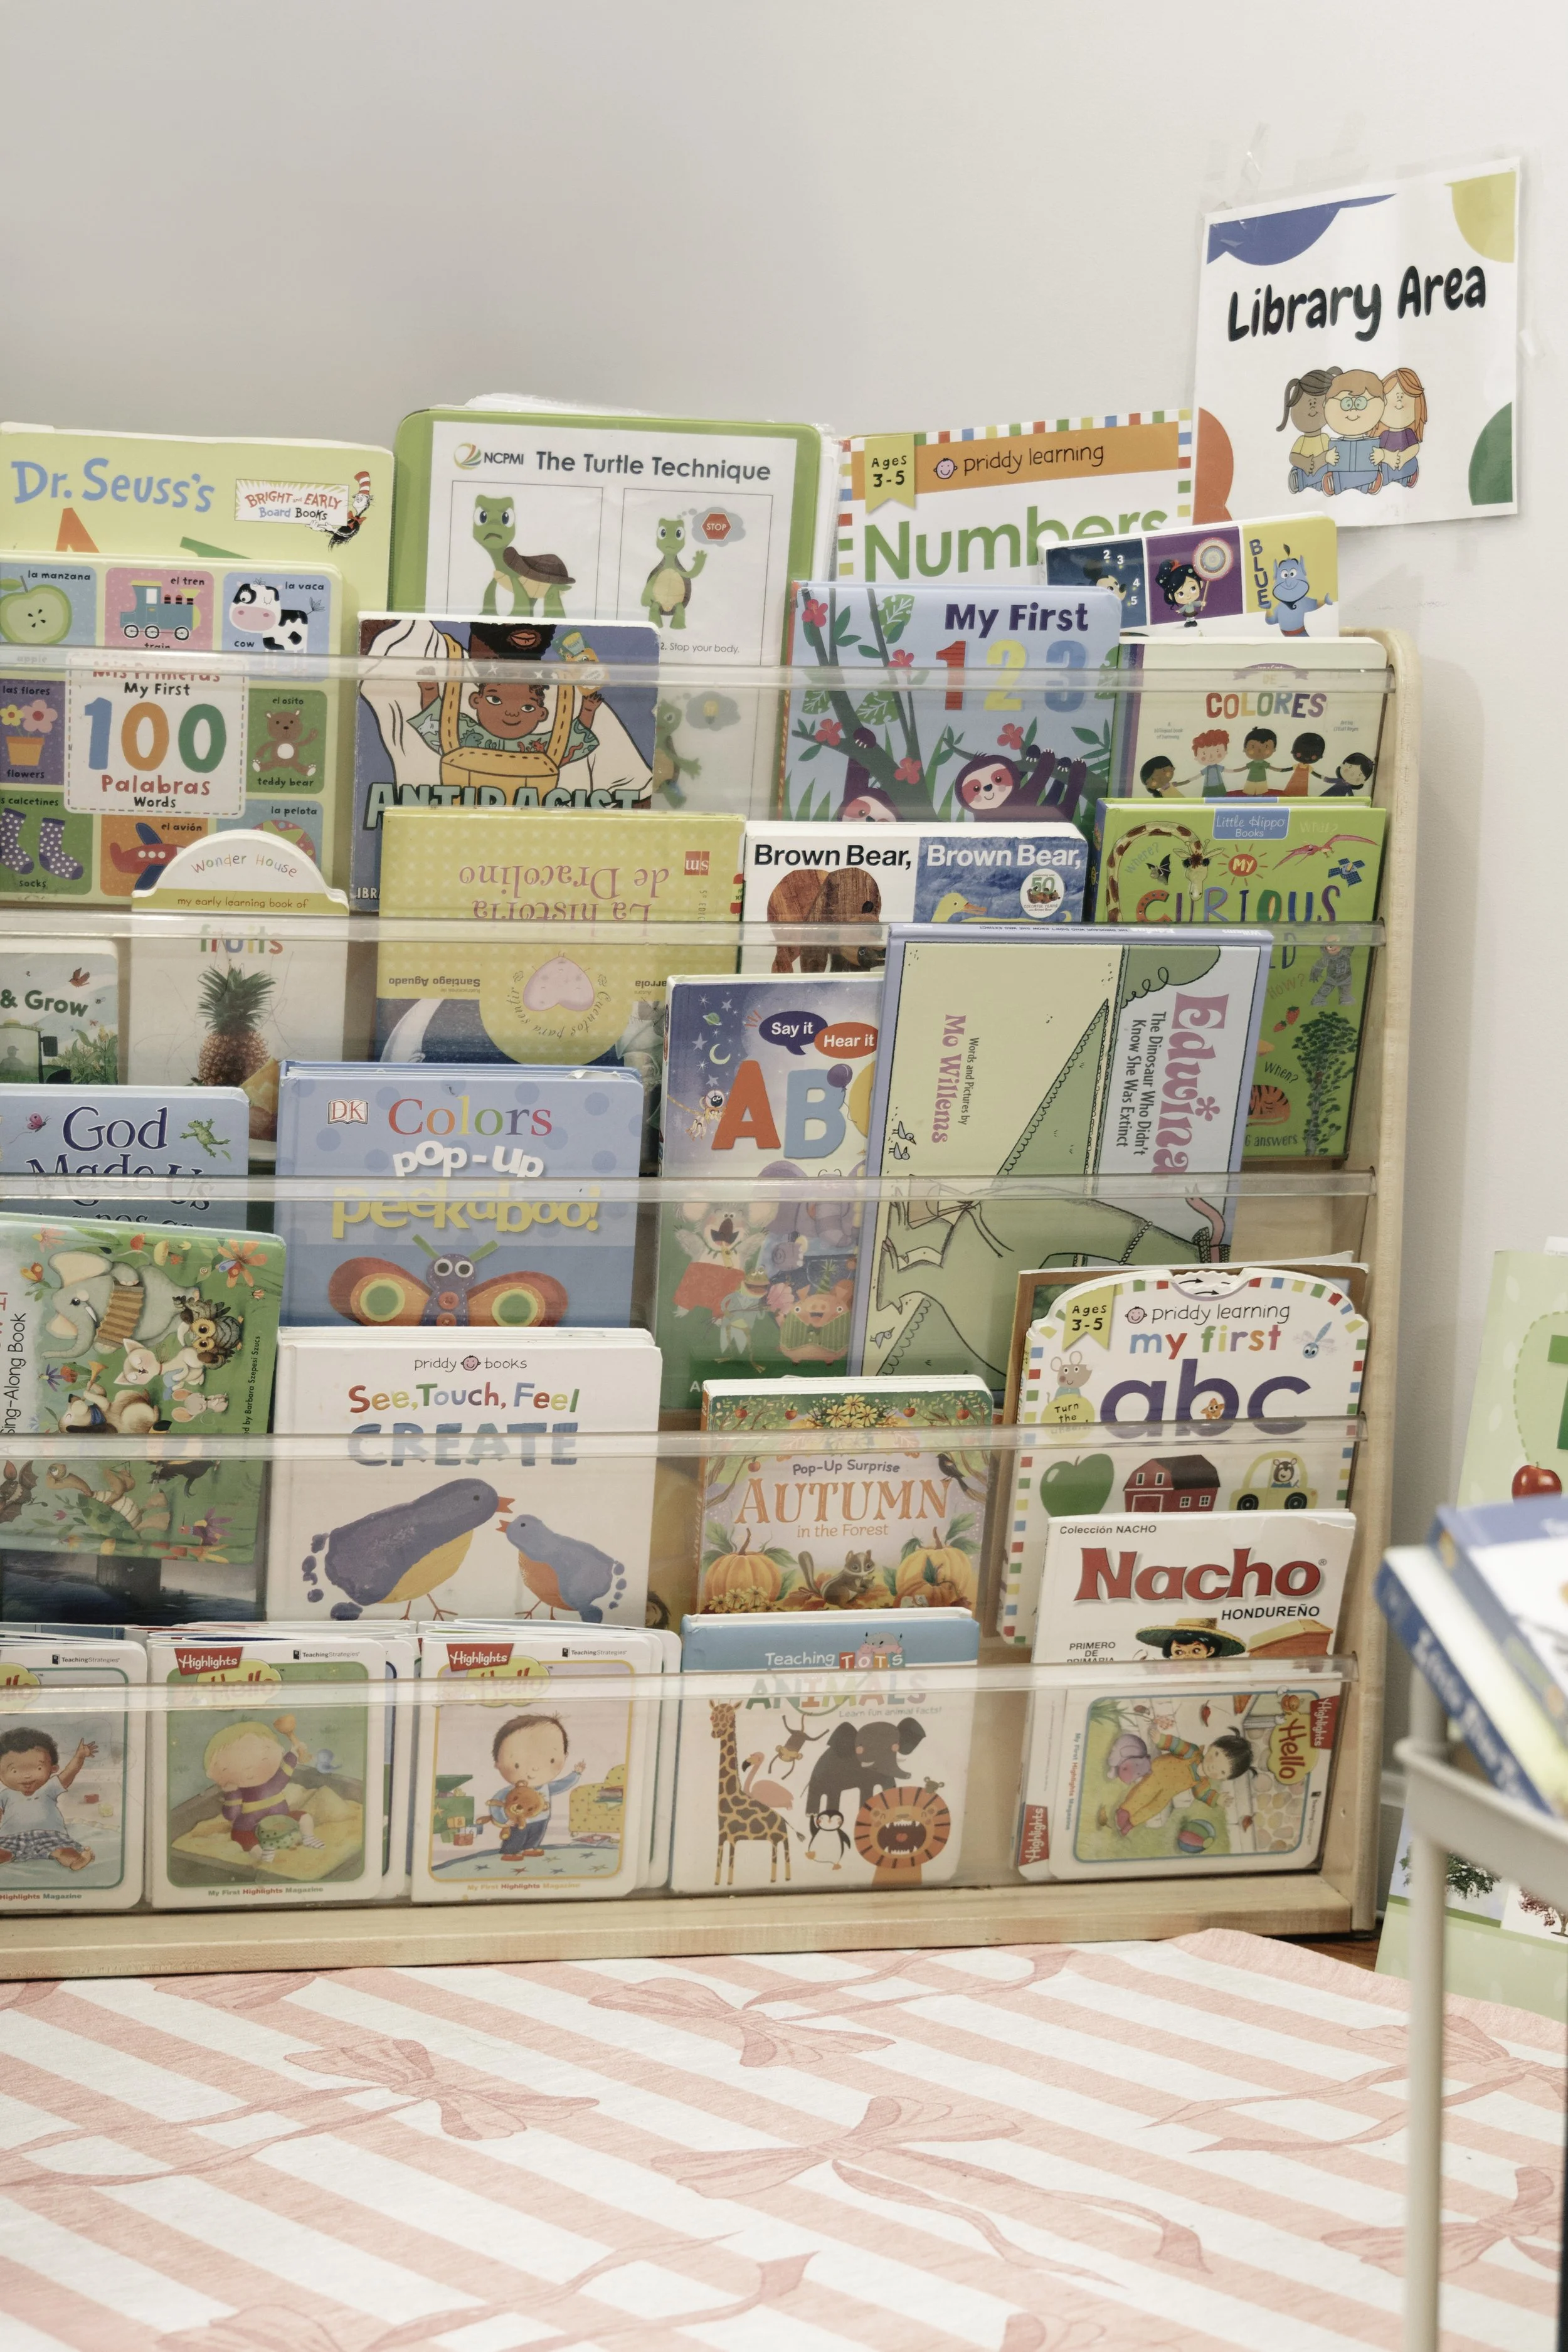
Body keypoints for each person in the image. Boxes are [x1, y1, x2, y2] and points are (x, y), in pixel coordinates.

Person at [0, 1725, 95, 1870]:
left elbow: (69, 1774)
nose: (27, 1775)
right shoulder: (5, 1795)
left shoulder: (49, 1788)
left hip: (49, 1835)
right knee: (3, 1852)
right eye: (14, 1770)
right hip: (11, 1838)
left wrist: (79, 1756)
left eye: (38, 1768)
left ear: (53, 1769)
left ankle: (77, 1861)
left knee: (63, 1851)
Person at [487, 1713, 583, 1858]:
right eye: (518, 1764)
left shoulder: (546, 1787)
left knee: (536, 1835)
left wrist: (576, 1774)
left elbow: (562, 1785)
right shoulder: (512, 1791)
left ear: (565, 1756)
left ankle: (530, 1848)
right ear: (498, 1763)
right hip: (519, 1821)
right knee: (517, 1837)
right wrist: (504, 1820)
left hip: (542, 1819)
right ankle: (510, 1852)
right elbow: (495, 1804)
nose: (534, 1769)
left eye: (550, 1760)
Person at [1278, 367, 1340, 492]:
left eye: (1317, 401)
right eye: (1307, 402)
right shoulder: (1302, 441)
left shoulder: (1325, 438)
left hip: (1322, 471)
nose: (1313, 406)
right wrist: (1305, 463)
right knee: (1300, 472)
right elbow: (1293, 457)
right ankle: (1298, 481)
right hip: (1305, 471)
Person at [1370, 368, 1426, 492]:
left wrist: (1404, 456)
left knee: (1411, 463)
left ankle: (1408, 477)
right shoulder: (1384, 435)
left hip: (1405, 465)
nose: (1400, 399)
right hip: (1386, 468)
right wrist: (1386, 456)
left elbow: (1415, 447)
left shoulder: (1408, 433)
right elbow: (1377, 451)